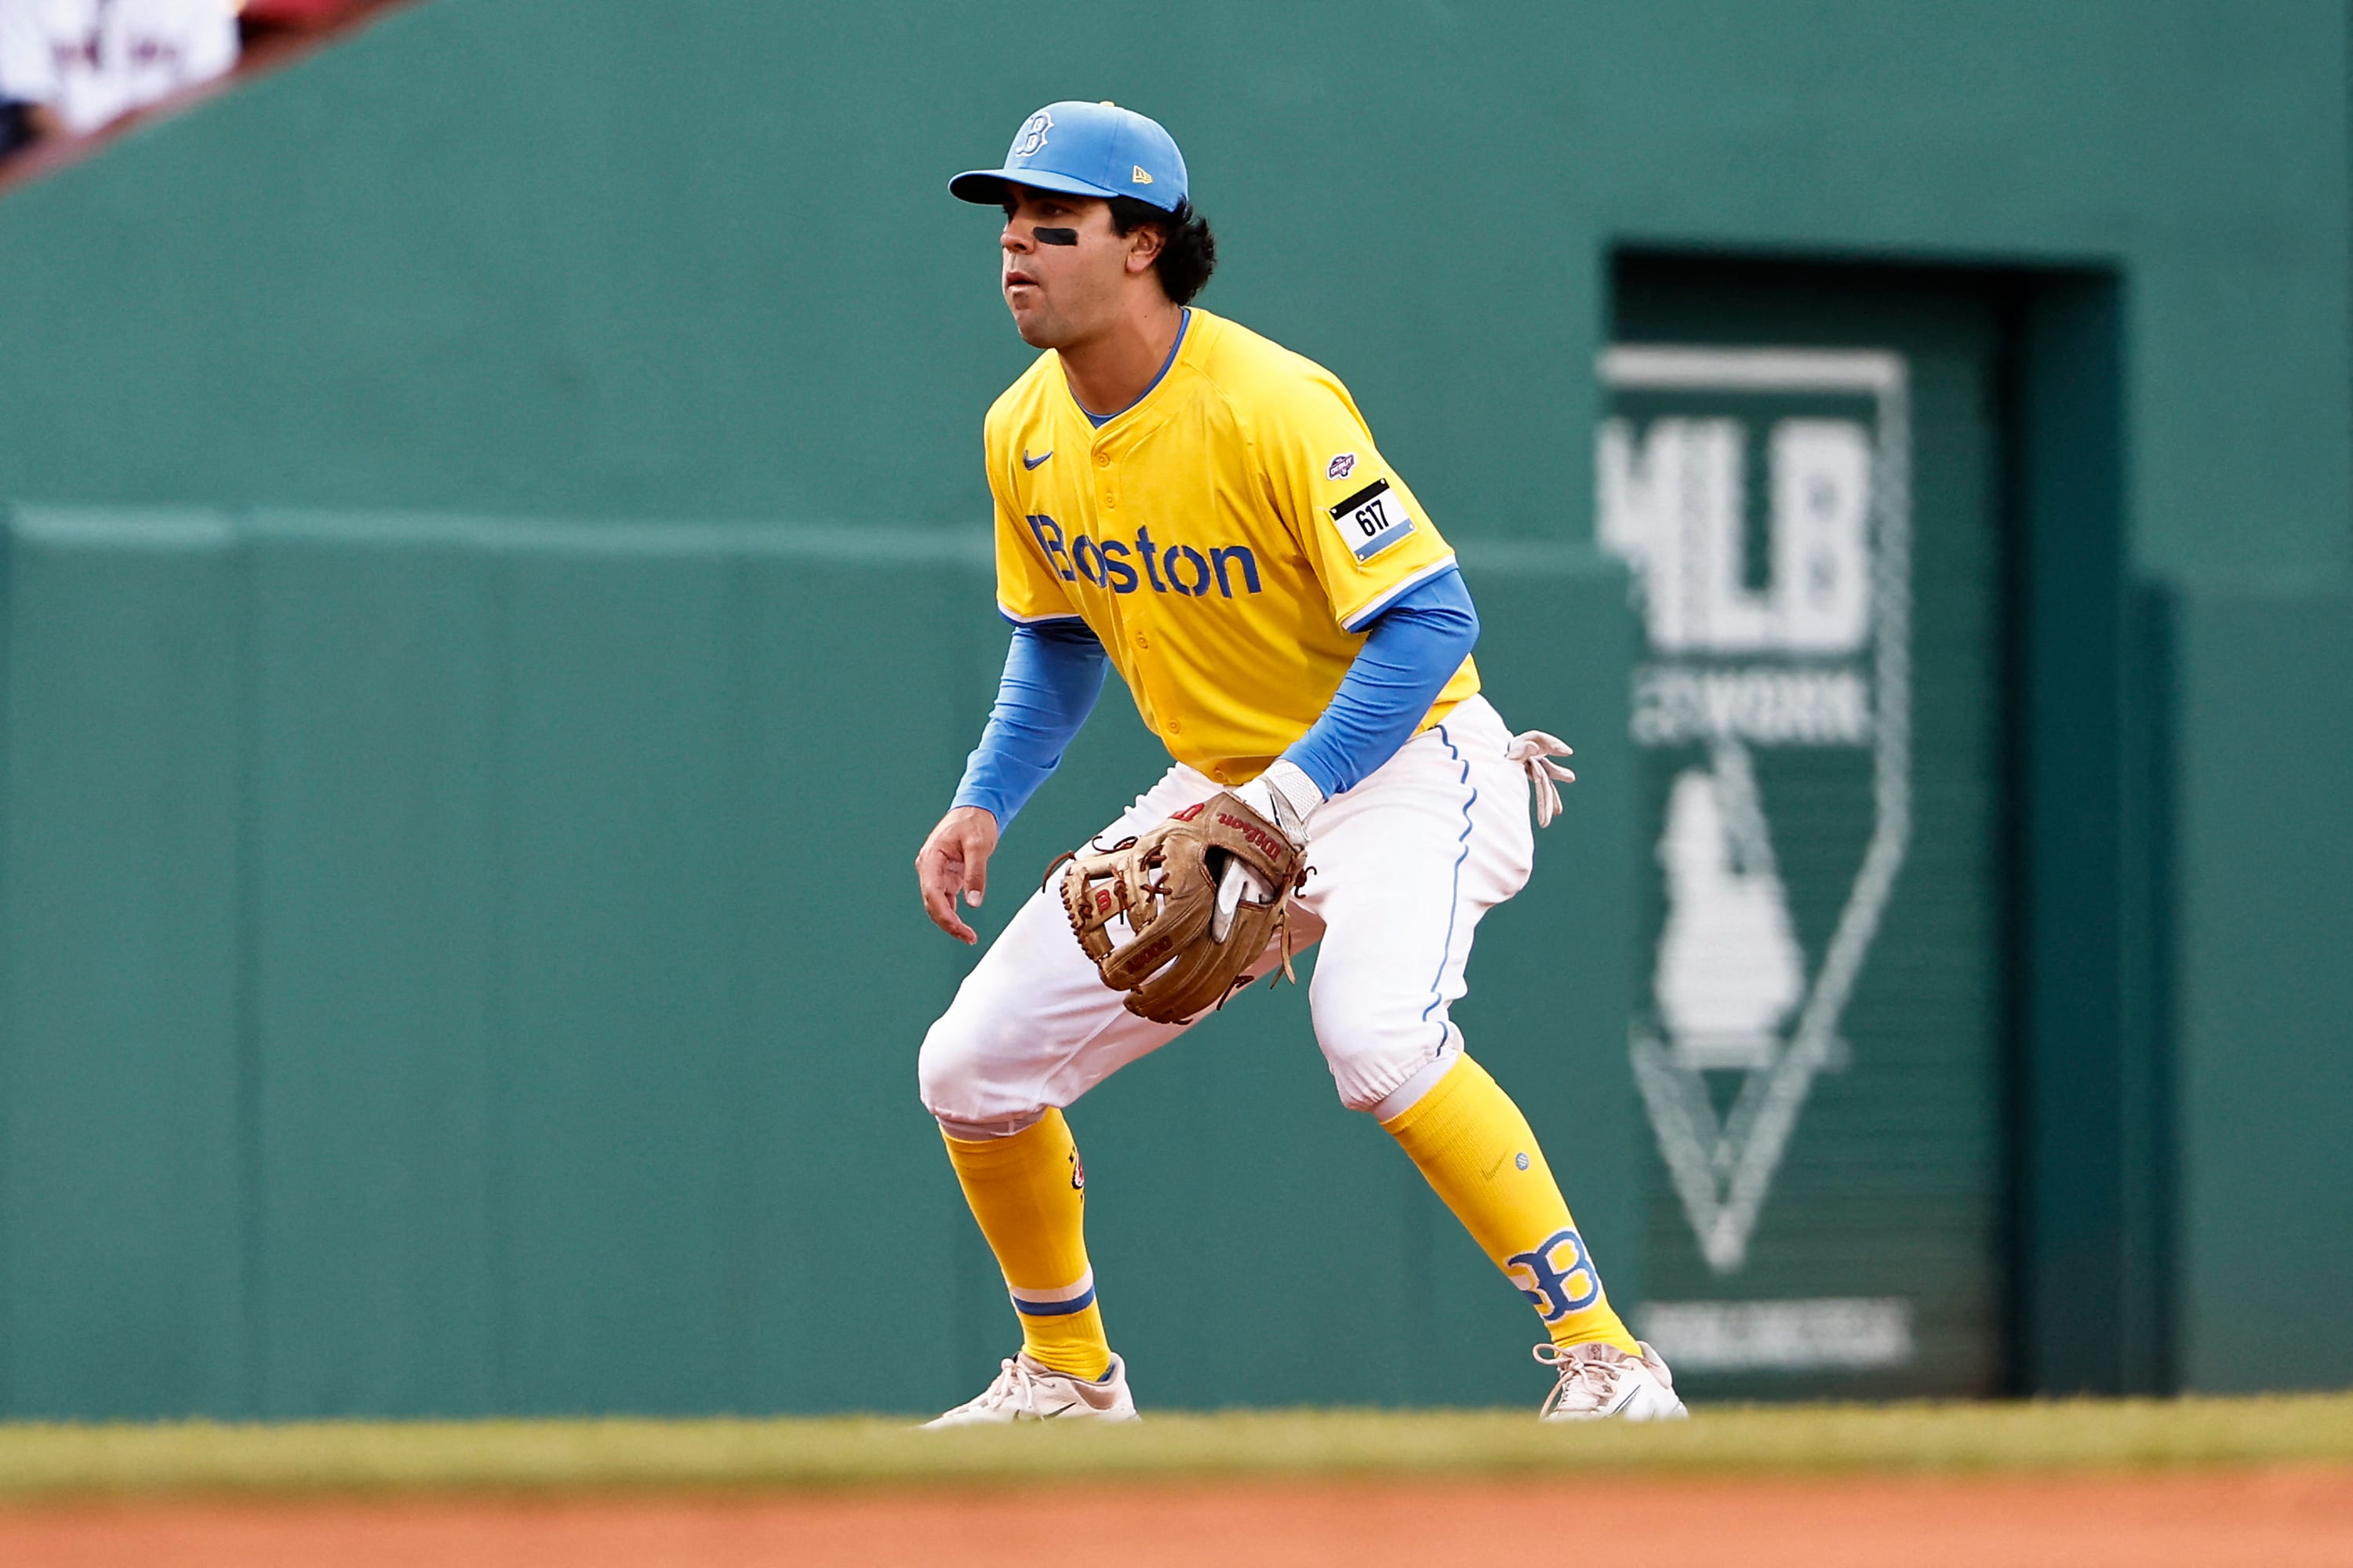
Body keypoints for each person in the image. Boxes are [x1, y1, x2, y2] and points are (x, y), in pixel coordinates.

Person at [913, 100, 1686, 1424]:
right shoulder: (1020, 430)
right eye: (1009, 224)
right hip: (1226, 784)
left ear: (1144, 243)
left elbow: (1432, 619)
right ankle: (1071, 1376)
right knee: (972, 1064)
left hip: (1409, 761)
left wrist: (1287, 793)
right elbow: (1057, 640)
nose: (1016, 248)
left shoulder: (1271, 401)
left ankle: (1610, 1356)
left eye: (1054, 223)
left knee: (1376, 1037)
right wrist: (985, 796)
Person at [0, 0, 237, 155]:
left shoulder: (199, 6)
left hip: (172, 164)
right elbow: (32, 105)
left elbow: (209, 105)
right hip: (63, 177)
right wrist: (94, 174)